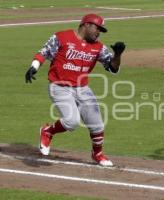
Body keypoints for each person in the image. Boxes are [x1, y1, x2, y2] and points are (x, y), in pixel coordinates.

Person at [25, 13, 126, 167]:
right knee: (71, 122)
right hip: (59, 87)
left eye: (100, 30)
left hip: (82, 88)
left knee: (97, 125)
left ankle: (97, 154)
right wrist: (34, 66)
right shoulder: (62, 37)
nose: (98, 32)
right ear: (86, 25)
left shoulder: (98, 47)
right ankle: (47, 131)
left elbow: (113, 68)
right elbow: (44, 51)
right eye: (97, 28)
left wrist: (117, 55)